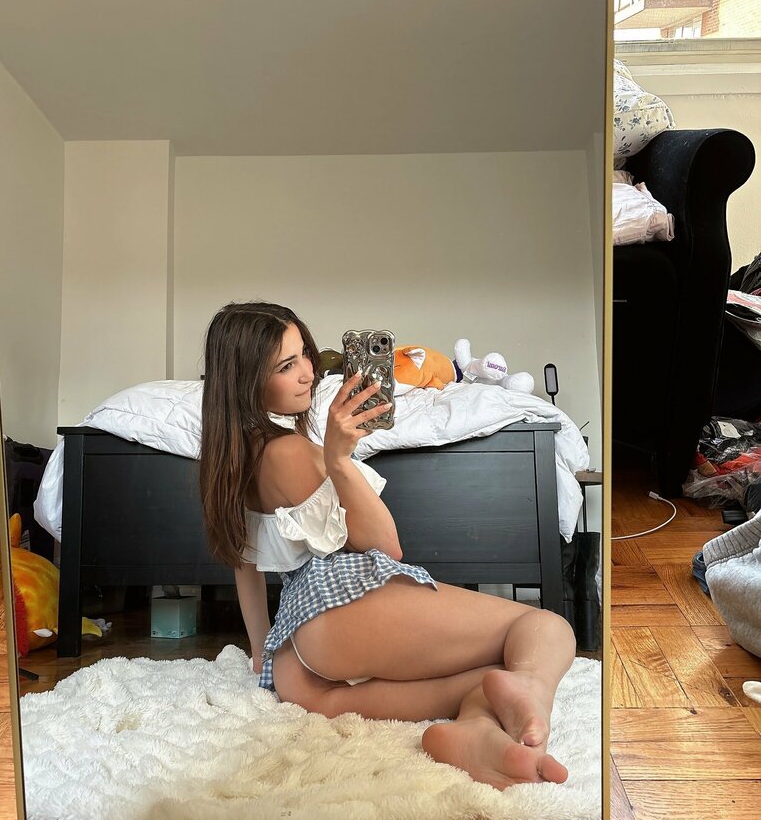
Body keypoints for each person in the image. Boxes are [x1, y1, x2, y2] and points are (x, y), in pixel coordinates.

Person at [200, 301, 576, 790]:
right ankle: (532, 690)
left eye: (305, 355)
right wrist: (338, 459)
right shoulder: (290, 451)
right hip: (342, 607)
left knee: (488, 674)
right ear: (245, 381)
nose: (308, 373)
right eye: (286, 365)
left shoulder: (234, 460)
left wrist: (260, 651)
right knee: (542, 628)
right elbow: (384, 546)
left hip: (298, 663)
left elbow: (243, 563)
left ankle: (477, 733)